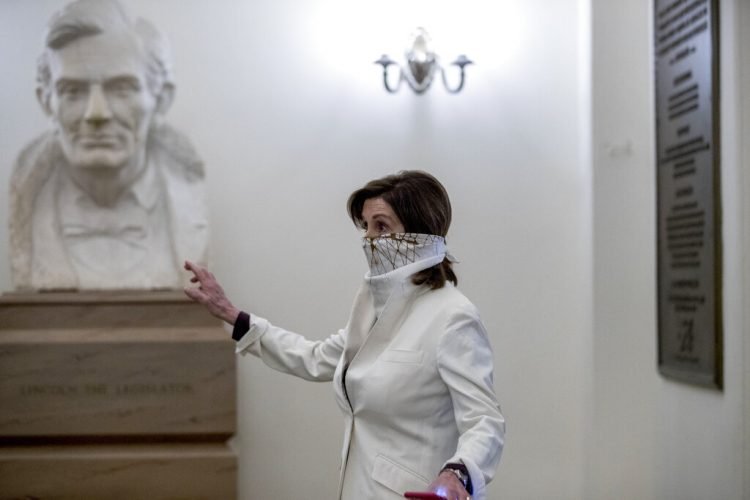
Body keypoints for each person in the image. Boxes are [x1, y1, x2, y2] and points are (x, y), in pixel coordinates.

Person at [184, 170, 504, 500]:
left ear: (421, 233)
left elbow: (485, 421)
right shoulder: (371, 309)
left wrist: (458, 474)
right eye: (365, 227)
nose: (369, 238)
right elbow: (315, 357)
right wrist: (233, 316)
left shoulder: (453, 316)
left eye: (381, 226)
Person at [9, 0, 208, 291]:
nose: (96, 113)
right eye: (73, 91)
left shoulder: (185, 197)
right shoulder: (29, 195)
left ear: (160, 98)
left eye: (122, 88)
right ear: (46, 101)